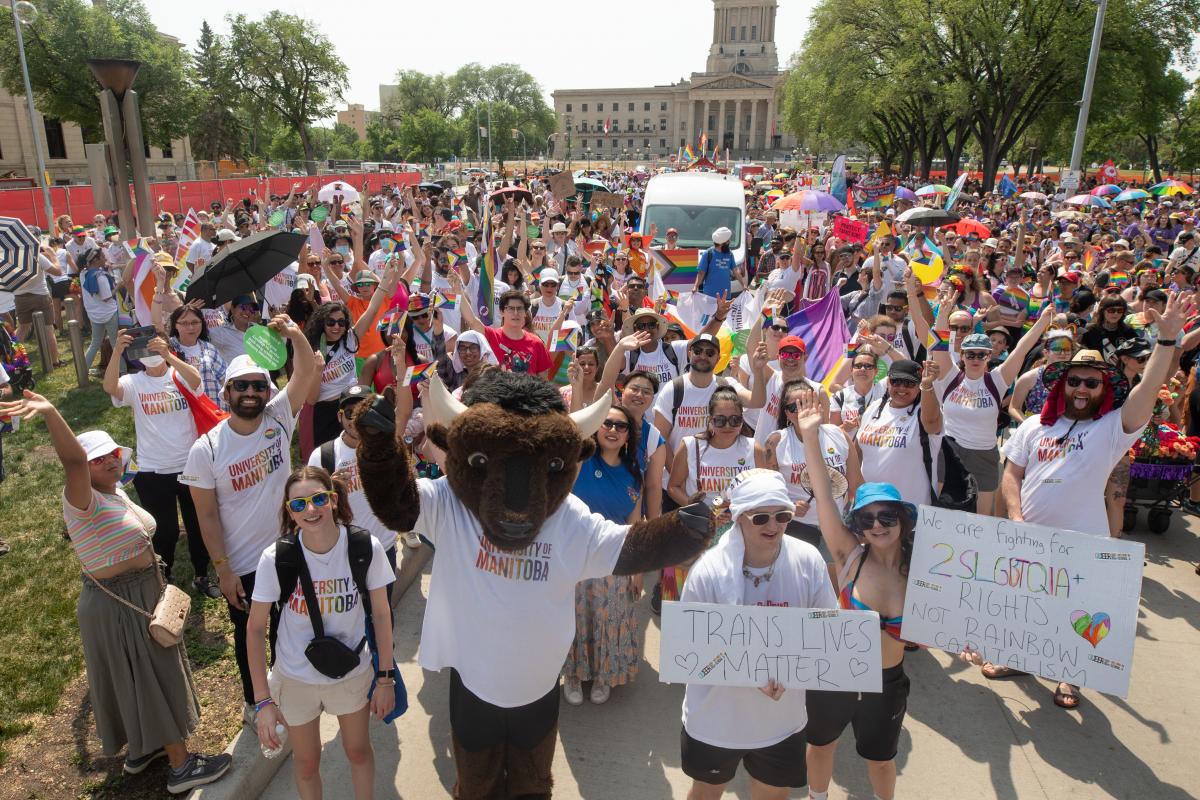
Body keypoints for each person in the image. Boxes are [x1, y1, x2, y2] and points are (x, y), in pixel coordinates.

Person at [0, 391, 231, 794]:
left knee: (137, 677)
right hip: (120, 602)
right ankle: (181, 767)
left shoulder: (113, 489)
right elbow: (71, 460)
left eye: (111, 454)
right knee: (151, 676)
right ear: (82, 469)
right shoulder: (82, 499)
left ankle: (143, 749)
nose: (109, 461)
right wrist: (53, 413)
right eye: (97, 459)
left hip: (138, 596)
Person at [977, 292, 1190, 708]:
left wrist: (1166, 343)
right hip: (1030, 535)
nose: (1081, 387)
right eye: (1074, 380)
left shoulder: (1113, 427)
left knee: (1075, 610)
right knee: (1027, 604)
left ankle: (1069, 676)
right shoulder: (1036, 426)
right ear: (1062, 384)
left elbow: (1148, 389)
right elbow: (1012, 473)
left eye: (1091, 382)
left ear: (1103, 388)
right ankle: (1019, 658)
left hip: (1083, 540)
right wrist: (1015, 517)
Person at [181, 315, 317, 722]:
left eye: (259, 385)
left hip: (289, 550)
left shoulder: (278, 418)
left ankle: (286, 686)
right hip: (243, 565)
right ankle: (253, 700)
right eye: (242, 386)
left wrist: (294, 334)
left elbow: (306, 370)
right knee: (249, 635)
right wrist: (223, 571)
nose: (251, 393)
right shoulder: (205, 450)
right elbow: (205, 517)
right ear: (227, 392)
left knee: (290, 625)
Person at [679, 469, 835, 800]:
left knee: (773, 795)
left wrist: (792, 672)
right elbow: (690, 649)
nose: (773, 525)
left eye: (783, 515)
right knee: (706, 792)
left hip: (781, 720)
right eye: (761, 517)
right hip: (716, 720)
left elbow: (826, 632)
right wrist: (752, 673)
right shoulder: (707, 572)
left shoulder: (808, 561)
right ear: (738, 518)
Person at [246, 467, 395, 800]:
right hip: (296, 677)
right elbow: (255, 629)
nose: (310, 510)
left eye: (317, 499)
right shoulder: (277, 558)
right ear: (289, 511)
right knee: (307, 763)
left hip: (351, 672)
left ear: (333, 499)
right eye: (298, 504)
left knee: (358, 751)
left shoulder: (363, 547)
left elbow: (382, 615)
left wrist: (385, 680)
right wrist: (263, 702)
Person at [796, 391, 917, 800]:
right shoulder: (849, 555)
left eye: (886, 516)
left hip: (887, 681)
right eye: (867, 518)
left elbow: (948, 624)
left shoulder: (921, 574)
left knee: (880, 759)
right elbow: (824, 495)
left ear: (901, 519)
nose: (877, 525)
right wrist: (811, 437)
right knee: (820, 745)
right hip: (837, 671)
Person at [103, 329, 218, 595]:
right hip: (153, 471)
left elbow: (196, 380)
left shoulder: (179, 374)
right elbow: (111, 388)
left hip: (190, 467)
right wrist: (118, 351)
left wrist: (169, 356)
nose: (153, 355)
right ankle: (164, 578)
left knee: (197, 526)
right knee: (163, 531)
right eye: (147, 350)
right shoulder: (134, 382)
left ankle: (201, 574)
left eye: (157, 348)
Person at [928, 300, 1054, 514]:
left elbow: (1021, 349)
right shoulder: (950, 376)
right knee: (942, 512)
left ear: (989, 356)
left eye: (982, 354)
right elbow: (937, 344)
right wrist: (943, 313)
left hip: (984, 454)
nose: (975, 358)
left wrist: (1042, 322)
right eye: (970, 354)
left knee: (980, 518)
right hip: (950, 451)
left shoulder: (997, 380)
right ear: (962, 355)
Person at [562, 405, 644, 706]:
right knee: (574, 618)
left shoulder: (635, 474)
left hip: (613, 558)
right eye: (606, 423)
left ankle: (602, 676)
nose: (612, 430)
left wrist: (638, 571)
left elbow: (635, 525)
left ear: (627, 437)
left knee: (608, 618)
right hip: (574, 554)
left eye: (620, 426)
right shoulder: (579, 463)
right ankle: (572, 674)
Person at [308, 385, 411, 576]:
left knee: (383, 605)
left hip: (384, 546)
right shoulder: (323, 456)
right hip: (346, 550)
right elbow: (311, 508)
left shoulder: (386, 445)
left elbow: (404, 413)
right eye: (349, 413)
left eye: (363, 412)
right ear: (339, 417)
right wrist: (330, 490)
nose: (356, 420)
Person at [756, 380, 859, 562]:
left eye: (806, 404)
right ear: (787, 412)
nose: (801, 411)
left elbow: (857, 486)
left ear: (818, 406)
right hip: (796, 528)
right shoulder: (775, 442)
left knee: (836, 587)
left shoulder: (839, 436)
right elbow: (766, 492)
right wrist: (789, 507)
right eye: (794, 407)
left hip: (836, 527)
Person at [855, 359, 944, 507]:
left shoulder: (925, 411)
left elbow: (931, 425)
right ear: (889, 382)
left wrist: (928, 384)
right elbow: (858, 450)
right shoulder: (875, 408)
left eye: (909, 383)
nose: (902, 388)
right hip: (869, 507)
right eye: (896, 381)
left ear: (919, 386)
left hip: (909, 509)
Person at [453, 275, 553, 378]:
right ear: (502, 312)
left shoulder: (537, 343)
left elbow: (543, 379)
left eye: (519, 309)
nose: (515, 313)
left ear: (525, 313)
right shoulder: (491, 336)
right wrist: (458, 290)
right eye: (510, 308)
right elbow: (472, 321)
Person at [80, 248, 119, 375]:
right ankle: (122, 371)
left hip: (94, 314)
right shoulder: (100, 277)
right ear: (95, 260)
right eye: (102, 257)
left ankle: (83, 371)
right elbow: (107, 297)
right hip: (109, 313)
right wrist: (120, 285)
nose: (105, 259)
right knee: (116, 344)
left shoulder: (83, 274)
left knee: (95, 343)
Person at [695, 227, 742, 299]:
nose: (729, 242)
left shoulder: (729, 254)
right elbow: (701, 273)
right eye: (728, 241)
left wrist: (743, 285)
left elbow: (735, 270)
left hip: (725, 295)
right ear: (723, 243)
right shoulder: (708, 254)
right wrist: (695, 287)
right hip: (710, 295)